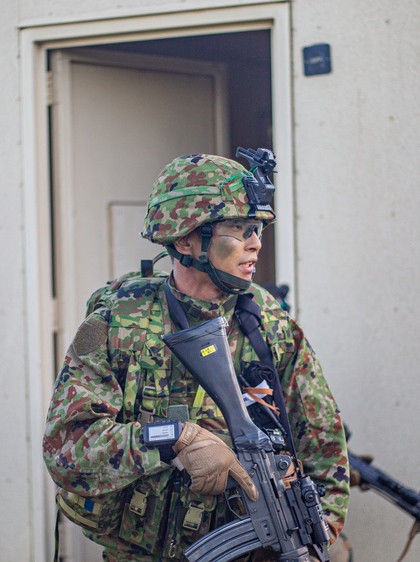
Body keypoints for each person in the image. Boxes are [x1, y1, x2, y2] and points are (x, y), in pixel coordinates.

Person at [43, 152, 350, 561]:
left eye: (257, 229)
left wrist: (318, 534)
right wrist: (174, 439)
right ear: (186, 239)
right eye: (239, 229)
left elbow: (324, 443)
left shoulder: (269, 324)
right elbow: (67, 447)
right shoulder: (120, 323)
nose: (256, 243)